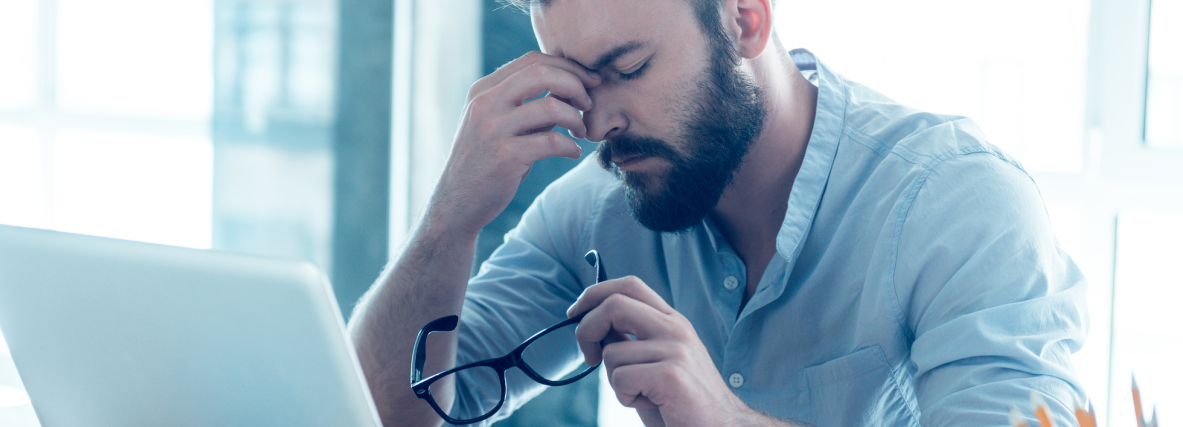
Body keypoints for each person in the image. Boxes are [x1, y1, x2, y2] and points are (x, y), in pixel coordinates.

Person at [348, 0, 1089, 425]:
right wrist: (450, 218)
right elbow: (390, 416)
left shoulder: (957, 205)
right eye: (576, 85)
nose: (600, 122)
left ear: (743, 19)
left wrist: (726, 419)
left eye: (629, 69)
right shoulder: (594, 211)